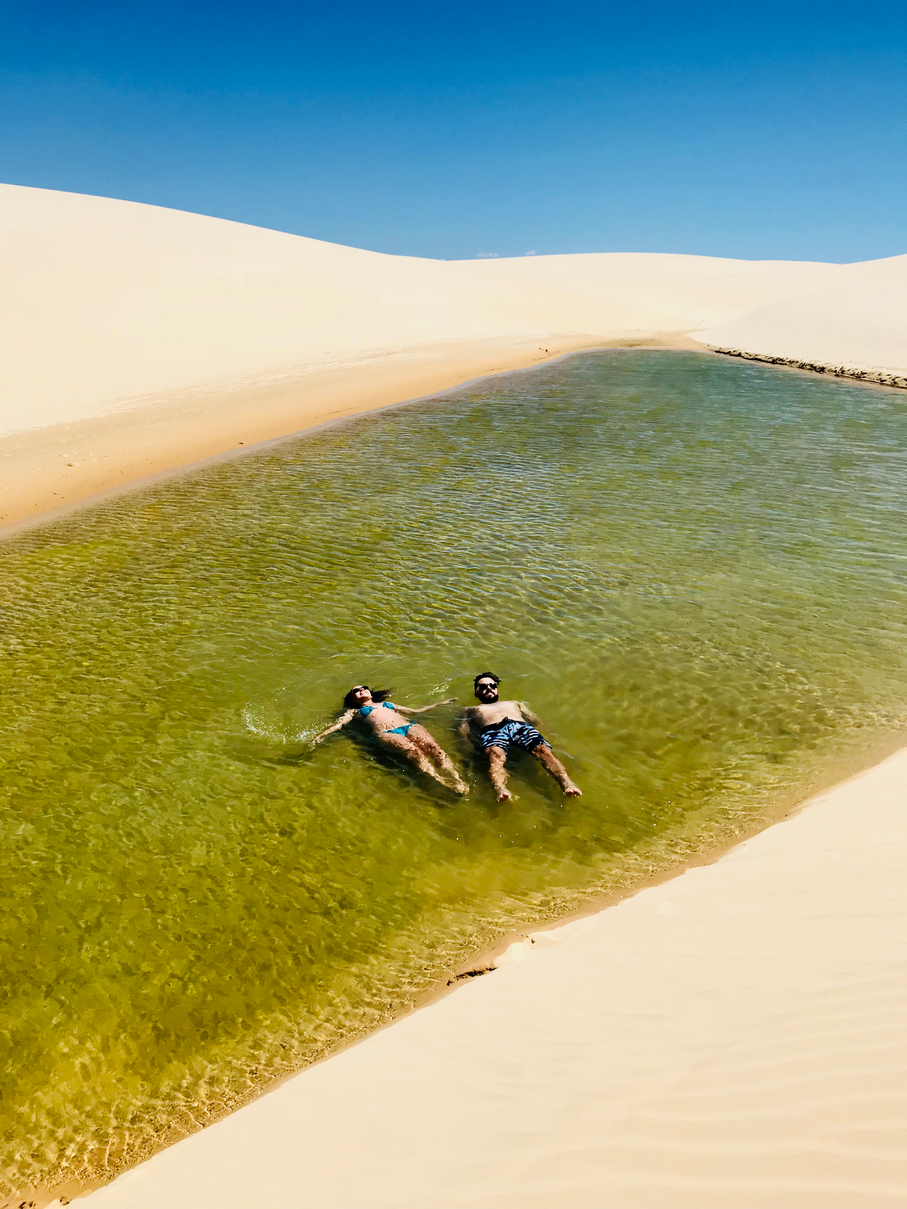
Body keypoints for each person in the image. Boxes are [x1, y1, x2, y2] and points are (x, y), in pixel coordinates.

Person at [312, 685, 468, 793]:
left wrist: (439, 704)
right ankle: (439, 779)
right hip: (386, 733)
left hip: (409, 726)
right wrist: (321, 735)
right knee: (414, 752)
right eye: (356, 691)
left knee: (435, 749)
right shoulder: (354, 711)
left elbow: (415, 711)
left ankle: (456, 779)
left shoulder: (387, 704)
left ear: (370, 692)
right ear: (353, 699)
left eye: (364, 688)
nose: (362, 690)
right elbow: (340, 725)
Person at [459, 672, 581, 802]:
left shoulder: (514, 703)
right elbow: (464, 729)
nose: (489, 688)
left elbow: (535, 720)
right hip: (493, 730)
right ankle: (500, 788)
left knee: (543, 750)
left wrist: (550, 735)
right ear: (476, 693)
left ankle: (566, 783)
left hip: (521, 727)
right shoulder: (471, 709)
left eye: (492, 685)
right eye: (483, 687)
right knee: (495, 755)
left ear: (497, 689)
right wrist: (467, 746)